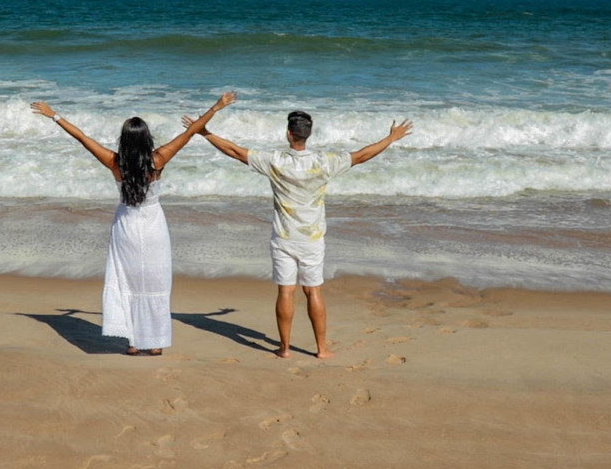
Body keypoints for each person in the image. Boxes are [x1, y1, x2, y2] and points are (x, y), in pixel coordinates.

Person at [185, 109, 412, 358]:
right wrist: (391, 138)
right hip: (312, 240)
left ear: (289, 134)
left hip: (283, 238)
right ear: (309, 134)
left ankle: (284, 348)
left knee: (286, 291)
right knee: (313, 291)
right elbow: (362, 156)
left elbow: (234, 151)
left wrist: (204, 131)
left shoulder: (275, 161)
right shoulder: (324, 162)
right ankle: (321, 349)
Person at [31, 92, 237, 356]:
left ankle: (133, 342)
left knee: (128, 283)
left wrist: (55, 115)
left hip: (126, 227)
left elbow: (82, 138)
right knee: (155, 283)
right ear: (147, 138)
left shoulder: (114, 162)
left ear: (124, 140)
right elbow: (191, 133)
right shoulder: (158, 159)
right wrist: (216, 107)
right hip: (153, 227)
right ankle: (156, 343)